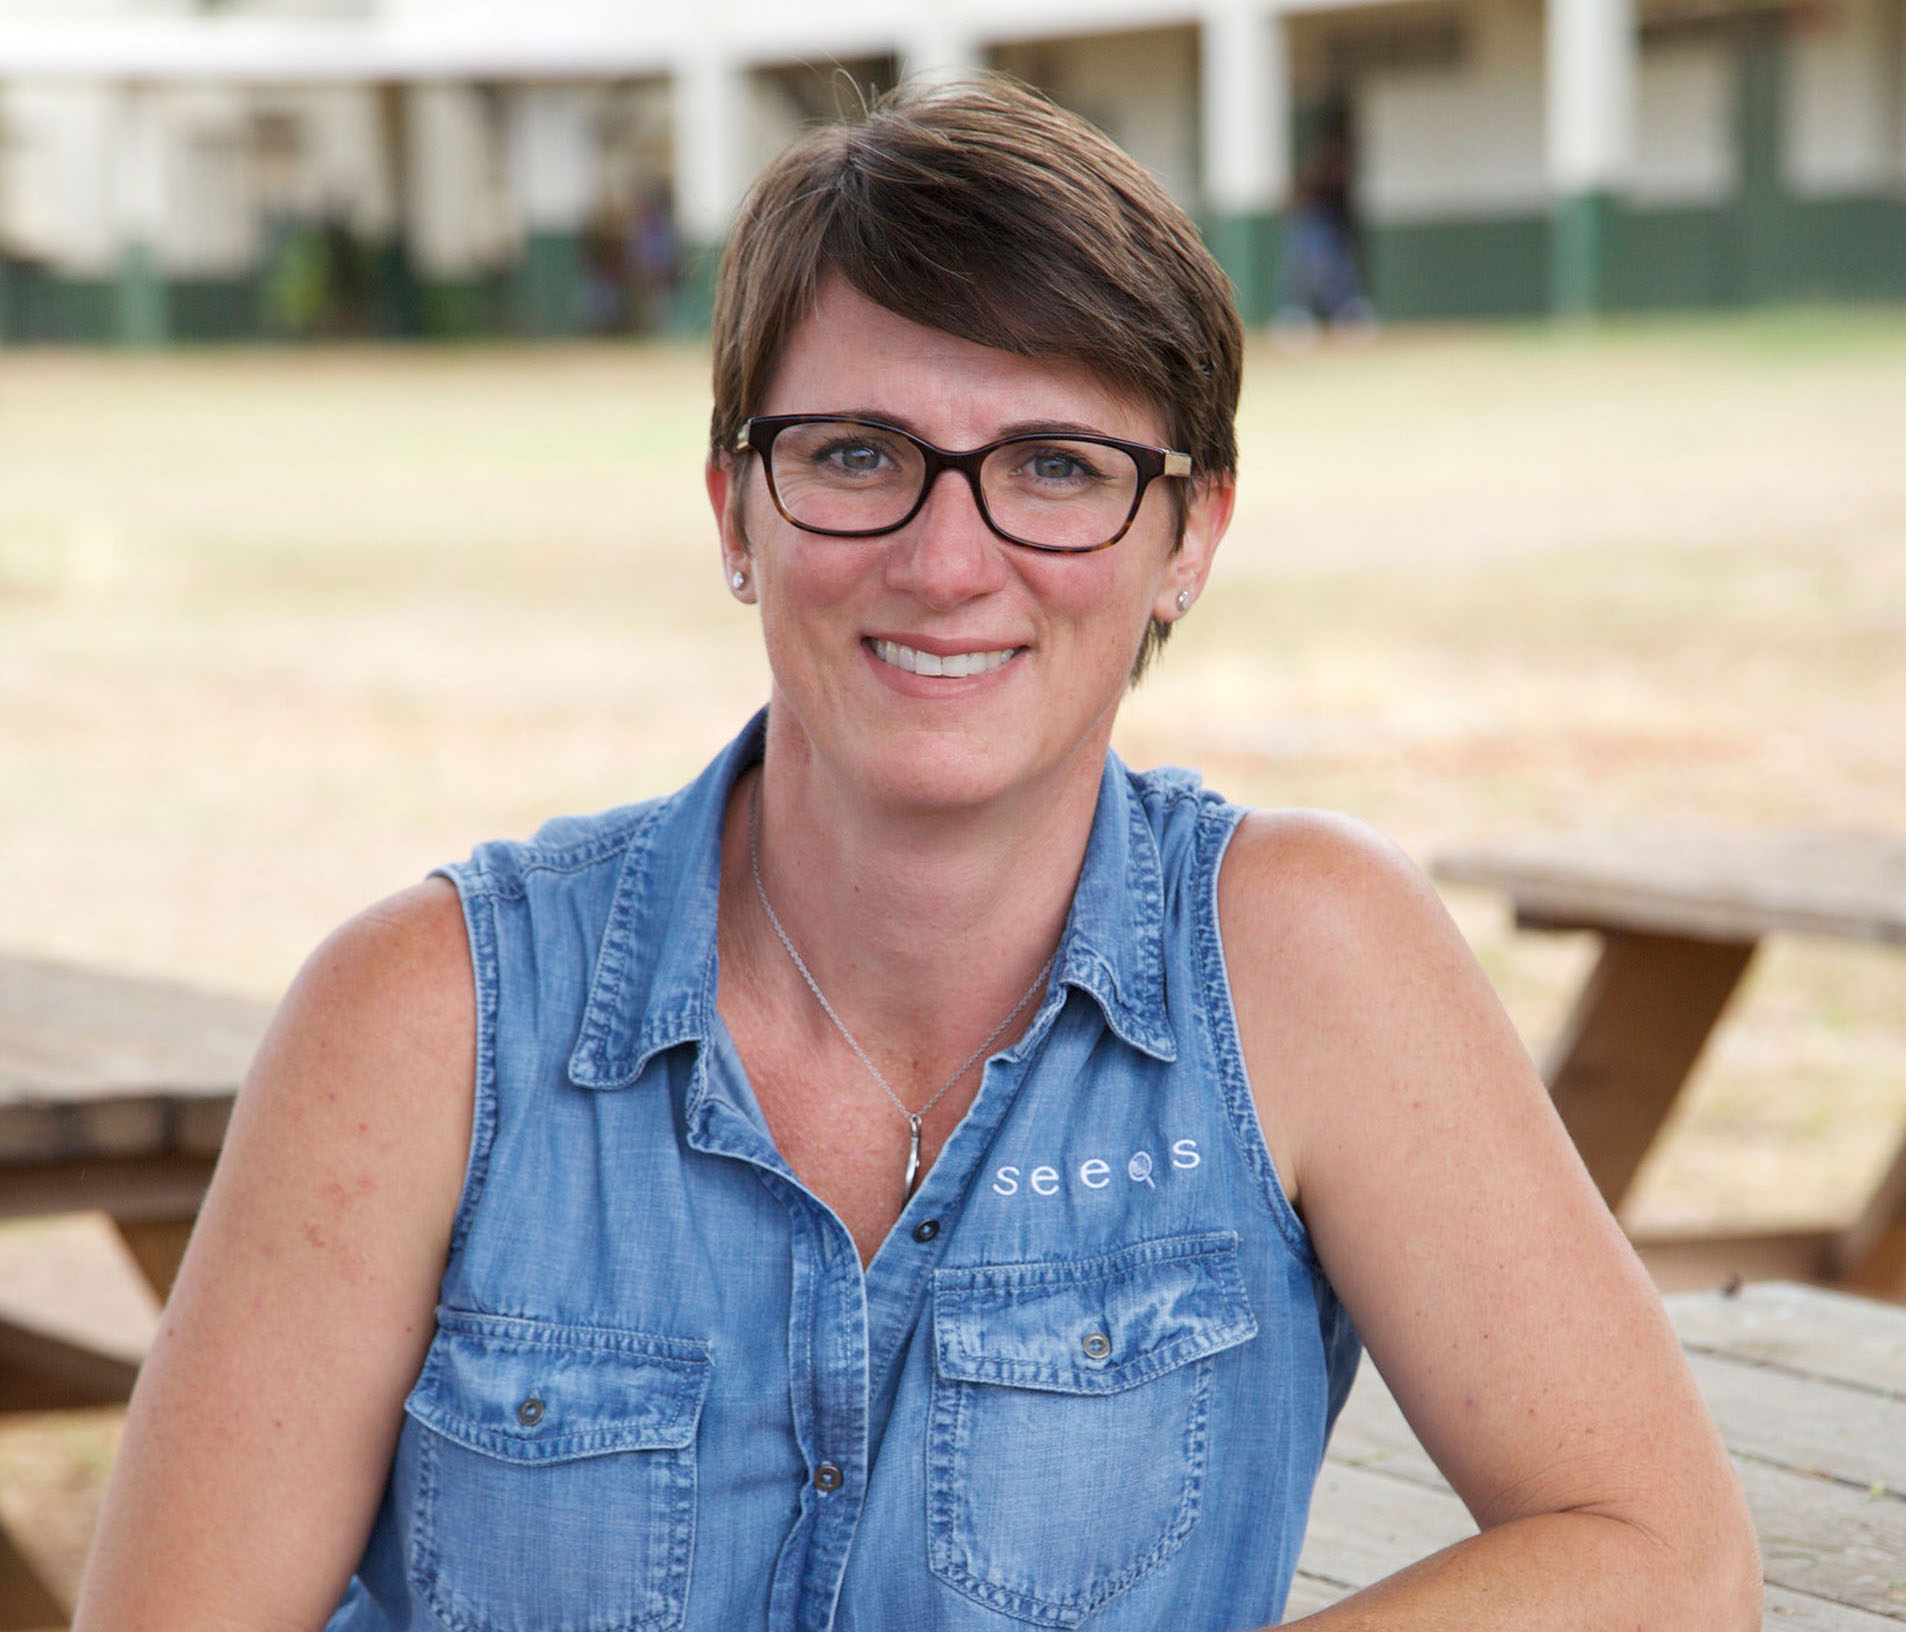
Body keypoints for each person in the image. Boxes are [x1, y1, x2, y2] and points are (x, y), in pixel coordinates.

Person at [74, 76, 1760, 1632]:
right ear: (737, 511)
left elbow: (1661, 1557)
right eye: (858, 456)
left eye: (1054, 466)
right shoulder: (422, 1020)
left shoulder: (1301, 960)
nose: (948, 560)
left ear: (1189, 535)